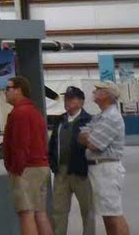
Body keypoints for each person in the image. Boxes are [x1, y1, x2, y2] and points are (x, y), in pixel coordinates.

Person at [3, 75, 54, 235]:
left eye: (8, 88)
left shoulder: (20, 114)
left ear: (18, 90)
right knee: (40, 213)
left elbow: (20, 145)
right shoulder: (33, 111)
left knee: (26, 213)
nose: (5, 92)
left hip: (27, 169)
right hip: (40, 167)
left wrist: (16, 169)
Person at [78, 82, 131, 235]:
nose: (94, 91)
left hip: (107, 170)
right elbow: (82, 136)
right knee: (107, 216)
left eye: (98, 90)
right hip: (98, 170)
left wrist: (89, 138)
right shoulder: (101, 116)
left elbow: (94, 144)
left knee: (114, 215)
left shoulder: (111, 117)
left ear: (106, 95)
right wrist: (88, 137)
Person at [49, 86, 95, 235]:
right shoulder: (60, 120)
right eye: (66, 98)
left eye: (71, 98)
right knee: (58, 210)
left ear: (81, 102)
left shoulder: (89, 121)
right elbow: (52, 143)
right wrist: (53, 165)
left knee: (87, 210)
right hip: (61, 172)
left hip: (82, 172)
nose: (67, 101)